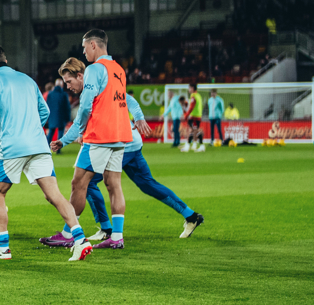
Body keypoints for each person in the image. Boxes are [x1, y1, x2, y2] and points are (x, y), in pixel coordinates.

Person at [0, 43, 88, 261]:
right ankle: (80, 239)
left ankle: (3, 248)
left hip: (11, 146)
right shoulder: (28, 79)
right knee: (54, 194)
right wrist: (31, 128)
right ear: (5, 61)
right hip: (38, 145)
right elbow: (44, 111)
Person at [72, 75, 205, 240]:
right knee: (148, 184)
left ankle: (106, 229)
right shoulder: (107, 88)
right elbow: (130, 102)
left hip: (122, 144)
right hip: (133, 141)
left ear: (80, 77)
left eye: (68, 81)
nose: (68, 86)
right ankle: (191, 216)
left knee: (88, 182)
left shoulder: (93, 93)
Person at [44, 29, 133, 252]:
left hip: (99, 136)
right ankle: (117, 236)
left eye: (84, 48)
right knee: (114, 185)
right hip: (120, 134)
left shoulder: (94, 69)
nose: (83, 52)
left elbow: (85, 107)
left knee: (78, 184)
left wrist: (66, 139)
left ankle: (68, 233)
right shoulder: (118, 70)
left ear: (94, 45)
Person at [44, 78, 71, 151]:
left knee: (50, 133)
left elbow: (47, 106)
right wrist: (68, 118)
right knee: (60, 133)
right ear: (62, 85)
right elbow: (67, 107)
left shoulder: (50, 94)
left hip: (52, 117)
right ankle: (58, 149)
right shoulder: (64, 94)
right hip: (61, 117)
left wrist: (47, 117)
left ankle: (46, 148)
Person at [183, 83, 206, 152]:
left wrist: (186, 114)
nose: (189, 89)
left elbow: (192, 107)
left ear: (192, 88)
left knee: (193, 131)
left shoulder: (193, 96)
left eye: (189, 88)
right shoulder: (198, 95)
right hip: (198, 116)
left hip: (194, 116)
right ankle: (194, 145)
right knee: (195, 131)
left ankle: (192, 145)